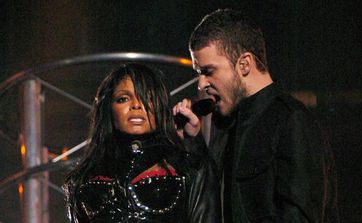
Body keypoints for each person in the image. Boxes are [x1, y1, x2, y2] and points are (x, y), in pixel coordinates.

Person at [173, 9, 339, 222]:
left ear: (244, 64)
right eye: (199, 73)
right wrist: (192, 144)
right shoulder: (226, 123)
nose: (202, 84)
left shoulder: (291, 121)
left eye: (208, 71)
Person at [63, 63, 220, 222]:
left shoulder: (192, 169)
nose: (136, 105)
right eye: (123, 98)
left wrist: (191, 141)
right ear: (108, 108)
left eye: (148, 97)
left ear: (161, 106)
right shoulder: (82, 180)